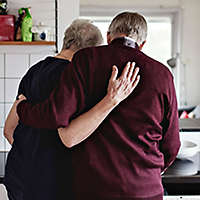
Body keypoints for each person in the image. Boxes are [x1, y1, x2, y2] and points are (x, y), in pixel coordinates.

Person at [16, 12, 180, 200]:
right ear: (142, 44)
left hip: (94, 188)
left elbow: (56, 115)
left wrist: (23, 108)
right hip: (145, 190)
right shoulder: (163, 75)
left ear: (108, 36)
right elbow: (172, 145)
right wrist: (147, 174)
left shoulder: (86, 59)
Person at [3, 19, 140, 200]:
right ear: (89, 52)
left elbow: (8, 130)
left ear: (66, 41)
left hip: (19, 176)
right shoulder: (77, 78)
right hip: (54, 184)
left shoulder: (33, 72)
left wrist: (32, 156)